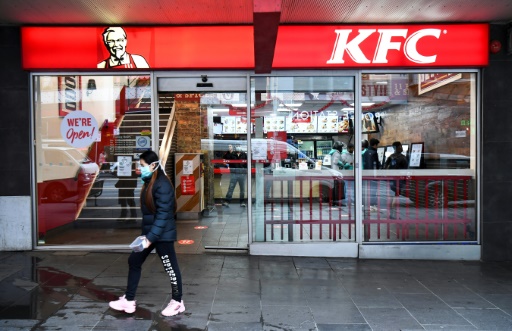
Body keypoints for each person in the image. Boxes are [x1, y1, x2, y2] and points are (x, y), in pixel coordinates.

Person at [109, 150, 184, 317]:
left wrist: (150, 238)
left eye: (142, 165)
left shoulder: (162, 184)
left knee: (170, 268)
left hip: (162, 236)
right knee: (134, 260)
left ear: (152, 165)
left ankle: (178, 302)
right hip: (151, 233)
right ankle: (129, 301)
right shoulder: (150, 181)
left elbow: (164, 215)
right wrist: (147, 236)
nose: (139, 168)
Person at [384, 141, 408, 219]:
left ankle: (391, 213)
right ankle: (393, 214)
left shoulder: (391, 156)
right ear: (398, 147)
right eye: (400, 146)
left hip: (391, 178)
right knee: (396, 196)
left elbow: (384, 166)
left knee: (393, 196)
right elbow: (406, 169)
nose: (402, 148)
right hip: (398, 179)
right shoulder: (403, 157)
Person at [362, 138, 380, 212]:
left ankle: (366, 204)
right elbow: (376, 165)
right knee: (373, 189)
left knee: (367, 189)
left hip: (366, 173)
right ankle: (372, 205)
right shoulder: (374, 152)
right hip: (373, 174)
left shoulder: (365, 152)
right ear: (375, 145)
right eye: (377, 145)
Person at [328, 141, 344, 206]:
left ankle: (333, 201)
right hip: (336, 172)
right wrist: (342, 164)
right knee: (337, 187)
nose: (342, 149)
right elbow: (335, 161)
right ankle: (336, 201)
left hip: (332, 172)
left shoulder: (332, 152)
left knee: (334, 187)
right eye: (341, 147)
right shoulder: (336, 153)